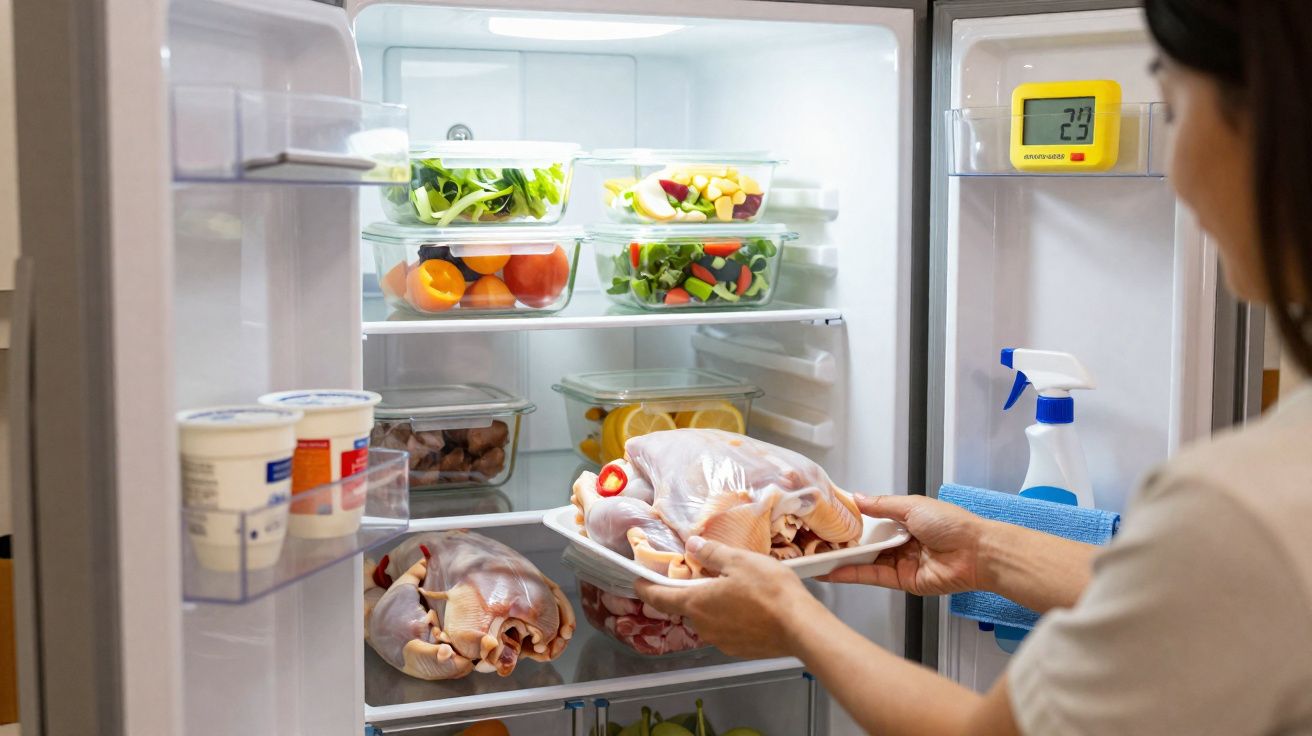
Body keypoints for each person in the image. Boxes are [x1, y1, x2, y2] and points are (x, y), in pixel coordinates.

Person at [635, 1, 1312, 733]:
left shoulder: (1241, 503)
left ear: (1273, 127)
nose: (1176, 172)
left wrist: (791, 619)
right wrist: (987, 547)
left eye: (1176, 109)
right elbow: (1209, 601)